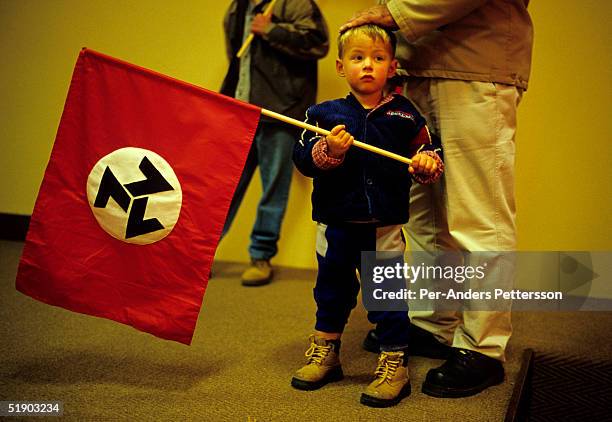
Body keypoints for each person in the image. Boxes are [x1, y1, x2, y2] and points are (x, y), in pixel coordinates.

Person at [341, 0, 534, 398]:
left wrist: (396, 13)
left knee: (480, 215)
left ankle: (483, 346)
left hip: (476, 64)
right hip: (418, 65)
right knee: (424, 214)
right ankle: (433, 323)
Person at [292, 25, 443, 407]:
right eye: (358, 59)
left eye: (377, 59)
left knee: (387, 297)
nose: (367, 66)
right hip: (335, 225)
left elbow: (428, 152)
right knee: (331, 292)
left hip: (383, 227)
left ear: (392, 68)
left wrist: (426, 162)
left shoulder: (404, 114)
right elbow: (303, 160)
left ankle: (395, 362)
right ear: (342, 67)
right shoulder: (323, 113)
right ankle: (326, 351)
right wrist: (329, 149)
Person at [220, 0, 329, 286]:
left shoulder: (295, 3)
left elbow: (319, 44)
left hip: (280, 111)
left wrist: (272, 30)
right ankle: (200, 254)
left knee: (273, 190)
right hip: (239, 110)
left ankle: (261, 256)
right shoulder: (238, 7)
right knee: (223, 189)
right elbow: (237, 59)